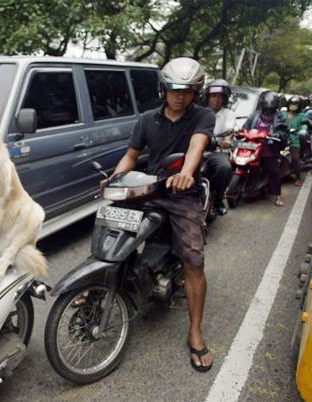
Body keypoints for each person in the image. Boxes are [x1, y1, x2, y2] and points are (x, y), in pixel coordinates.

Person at [106, 57, 215, 372]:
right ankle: (103, 282)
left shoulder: (203, 116)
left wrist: (186, 173)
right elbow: (131, 155)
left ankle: (194, 330)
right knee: (112, 222)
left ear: (196, 93)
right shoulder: (147, 119)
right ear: (164, 89)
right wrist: (116, 177)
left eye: (188, 91)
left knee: (194, 260)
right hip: (150, 190)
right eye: (174, 90)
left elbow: (197, 146)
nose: (180, 96)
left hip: (183, 195)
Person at [242, 91, 289, 206]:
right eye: (266, 106)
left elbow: (284, 131)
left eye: (271, 107)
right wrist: (241, 132)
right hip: (252, 146)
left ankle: (277, 195)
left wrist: (278, 135)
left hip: (269, 147)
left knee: (273, 171)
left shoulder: (280, 117)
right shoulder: (255, 115)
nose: (268, 109)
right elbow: (245, 126)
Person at [202, 79, 235, 215]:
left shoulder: (229, 114)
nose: (216, 100)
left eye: (220, 97)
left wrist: (227, 140)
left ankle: (218, 199)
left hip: (217, 151)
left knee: (224, 168)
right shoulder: (200, 113)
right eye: (213, 96)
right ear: (208, 98)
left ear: (225, 100)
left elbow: (230, 129)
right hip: (197, 151)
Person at [282, 95, 308, 186]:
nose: (293, 106)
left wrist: (303, 130)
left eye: (295, 105)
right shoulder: (283, 114)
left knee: (295, 159)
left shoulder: (302, 116)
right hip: (281, 138)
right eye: (291, 104)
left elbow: (304, 125)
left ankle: (298, 178)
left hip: (294, 140)